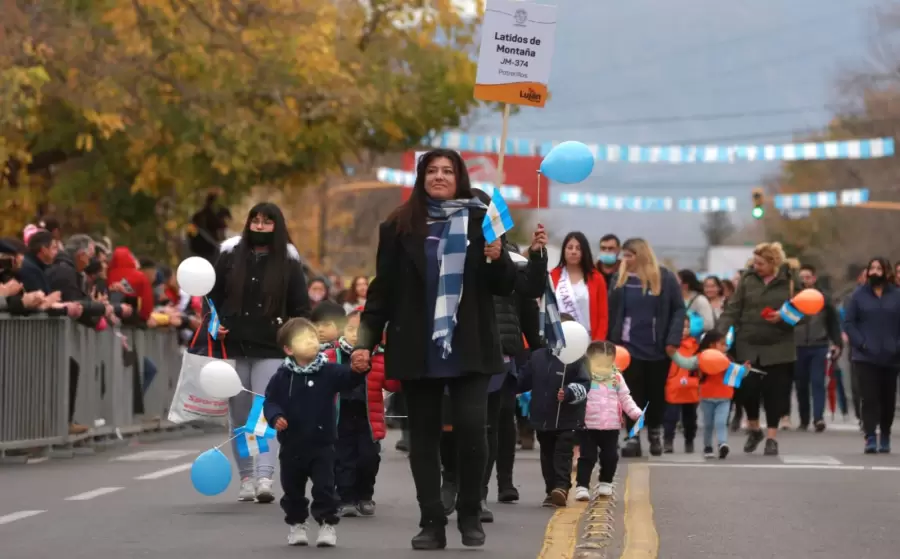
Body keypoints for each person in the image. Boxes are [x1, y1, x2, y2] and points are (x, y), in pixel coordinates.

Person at [353, 148, 517, 550]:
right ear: (421, 177)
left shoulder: (484, 220)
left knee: (472, 432)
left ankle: (469, 512)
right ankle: (431, 521)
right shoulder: (398, 225)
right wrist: (364, 341)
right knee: (422, 437)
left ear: (459, 176)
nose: (439, 176)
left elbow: (506, 285)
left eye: (447, 171)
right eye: (432, 170)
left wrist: (497, 259)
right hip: (417, 345)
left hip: (470, 345)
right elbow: (383, 291)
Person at [200, 202, 311, 503]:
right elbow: (211, 299)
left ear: (277, 226)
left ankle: (265, 477)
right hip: (234, 346)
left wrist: (294, 337)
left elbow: (301, 307)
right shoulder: (230, 256)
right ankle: (246, 477)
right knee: (238, 416)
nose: (260, 227)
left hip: (272, 348)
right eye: (256, 221)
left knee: (264, 413)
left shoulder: (288, 261)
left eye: (267, 222)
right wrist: (215, 325)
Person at [264, 318, 370, 547]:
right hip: (292, 445)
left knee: (324, 487)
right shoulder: (282, 376)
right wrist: (276, 417)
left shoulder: (328, 371)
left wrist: (358, 370)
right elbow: (270, 402)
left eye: (313, 337)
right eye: (303, 340)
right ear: (289, 349)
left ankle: (327, 525)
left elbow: (348, 378)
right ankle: (297, 524)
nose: (311, 342)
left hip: (323, 444)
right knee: (292, 489)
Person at [715, 242, 798, 456]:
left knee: (775, 393)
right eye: (755, 262)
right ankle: (754, 428)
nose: (756, 266)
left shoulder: (789, 281)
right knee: (747, 390)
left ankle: (771, 437)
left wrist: (783, 316)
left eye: (761, 263)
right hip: (748, 344)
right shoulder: (747, 280)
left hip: (779, 345)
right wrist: (718, 334)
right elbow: (733, 308)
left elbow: (804, 310)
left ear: (773, 263)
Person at [607, 238, 685, 457]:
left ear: (641, 255)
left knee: (655, 395)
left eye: (629, 255)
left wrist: (672, 339)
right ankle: (632, 437)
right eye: (624, 255)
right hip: (627, 350)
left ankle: (654, 434)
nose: (625, 259)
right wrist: (610, 342)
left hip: (657, 349)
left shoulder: (664, 278)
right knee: (630, 395)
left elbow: (679, 310)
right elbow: (611, 313)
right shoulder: (619, 280)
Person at [326, 310, 401, 518]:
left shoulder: (379, 355)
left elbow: (393, 384)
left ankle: (365, 495)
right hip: (341, 416)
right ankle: (345, 498)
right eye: (351, 329)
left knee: (369, 458)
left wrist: (398, 364)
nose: (355, 334)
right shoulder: (332, 355)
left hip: (369, 417)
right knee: (343, 459)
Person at [516, 314, 590, 507]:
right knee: (547, 454)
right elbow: (524, 379)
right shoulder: (538, 356)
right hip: (543, 417)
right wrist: (510, 385)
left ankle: (561, 487)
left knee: (562, 453)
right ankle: (551, 490)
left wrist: (568, 392)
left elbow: (584, 384)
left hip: (568, 418)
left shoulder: (578, 359)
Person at [843, 257, 900, 454]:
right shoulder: (858, 296)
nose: (875, 272)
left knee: (887, 399)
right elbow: (849, 323)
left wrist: (896, 346)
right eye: (872, 268)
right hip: (865, 357)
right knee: (869, 398)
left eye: (879, 268)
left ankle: (885, 434)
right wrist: (862, 342)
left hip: (891, 357)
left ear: (886, 272)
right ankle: (869, 436)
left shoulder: (897, 295)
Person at [579, 341, 642, 499]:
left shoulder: (616, 378)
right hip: (588, 425)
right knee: (587, 456)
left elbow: (625, 397)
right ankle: (582, 486)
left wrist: (634, 412)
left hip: (611, 426)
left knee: (610, 456)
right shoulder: (585, 376)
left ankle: (606, 482)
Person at [794, 264, 843, 432]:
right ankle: (804, 419)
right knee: (801, 384)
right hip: (798, 346)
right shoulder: (793, 297)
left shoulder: (823, 298)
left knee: (817, 382)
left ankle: (818, 418)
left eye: (808, 277)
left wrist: (836, 343)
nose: (805, 281)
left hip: (819, 345)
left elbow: (833, 322)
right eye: (802, 278)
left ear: (814, 278)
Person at [550, 231, 608, 341]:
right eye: (570, 247)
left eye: (578, 248)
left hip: (588, 340)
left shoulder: (596, 278)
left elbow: (603, 316)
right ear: (564, 250)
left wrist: (598, 341)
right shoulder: (553, 275)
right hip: (559, 340)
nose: (573, 252)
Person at [696, 330, 742, 459]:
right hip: (706, 397)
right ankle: (708, 446)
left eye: (725, 344)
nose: (725, 347)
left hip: (724, 397)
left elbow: (736, 374)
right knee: (708, 424)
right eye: (722, 344)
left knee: (721, 422)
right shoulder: (702, 357)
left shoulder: (728, 359)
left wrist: (744, 370)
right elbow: (695, 371)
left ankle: (723, 444)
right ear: (711, 345)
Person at [662, 317, 701, 454]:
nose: (684, 330)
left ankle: (689, 441)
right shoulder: (668, 345)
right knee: (670, 418)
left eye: (687, 327)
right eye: (682, 326)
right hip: (673, 386)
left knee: (690, 419)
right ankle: (668, 441)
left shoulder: (696, 345)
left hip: (691, 387)